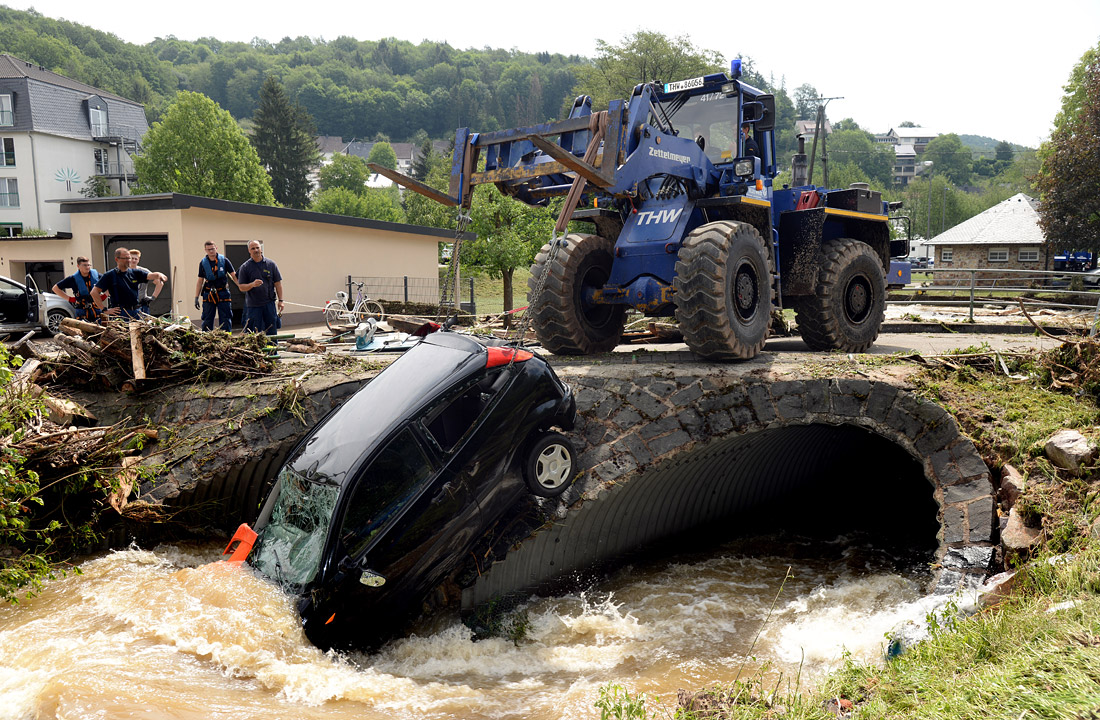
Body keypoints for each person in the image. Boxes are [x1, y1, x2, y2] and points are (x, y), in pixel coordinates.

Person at [92, 247, 166, 320]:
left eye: (129, 258)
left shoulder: (136, 273)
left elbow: (151, 276)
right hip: (120, 313)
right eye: (125, 258)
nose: (128, 260)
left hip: (136, 312)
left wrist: (159, 275)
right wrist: (104, 309)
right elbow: (94, 292)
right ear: (117, 259)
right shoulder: (110, 275)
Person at [236, 240, 284, 336]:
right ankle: (257, 351)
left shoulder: (271, 264)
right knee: (254, 332)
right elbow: (241, 287)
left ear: (261, 249)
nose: (256, 250)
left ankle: (272, 350)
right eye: (253, 248)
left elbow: (278, 283)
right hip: (254, 306)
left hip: (269, 303)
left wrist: (281, 300)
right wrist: (252, 285)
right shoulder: (245, 267)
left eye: (257, 247)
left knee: (271, 329)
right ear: (249, 251)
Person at [193, 241, 238, 331]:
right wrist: (196, 297)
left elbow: (234, 275)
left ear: (216, 248)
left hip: (223, 292)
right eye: (208, 249)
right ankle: (207, 339)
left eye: (212, 249)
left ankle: (226, 339)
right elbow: (200, 281)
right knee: (207, 318)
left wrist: (241, 286)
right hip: (208, 293)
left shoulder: (224, 260)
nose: (211, 251)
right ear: (205, 250)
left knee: (226, 318)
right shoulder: (203, 263)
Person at [52, 256, 104, 322]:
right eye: (84, 265)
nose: (87, 267)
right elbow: (55, 288)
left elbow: (109, 284)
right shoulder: (73, 279)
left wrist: (105, 295)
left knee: (100, 330)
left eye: (88, 265)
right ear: (78, 266)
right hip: (81, 310)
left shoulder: (97, 276)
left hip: (96, 309)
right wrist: (69, 299)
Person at [128, 248, 162, 315]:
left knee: (143, 324)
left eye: (136, 259)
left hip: (141, 306)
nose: (134, 260)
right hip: (126, 307)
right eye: (132, 258)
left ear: (138, 260)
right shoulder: (121, 272)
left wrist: (153, 297)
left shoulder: (144, 271)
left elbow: (159, 282)